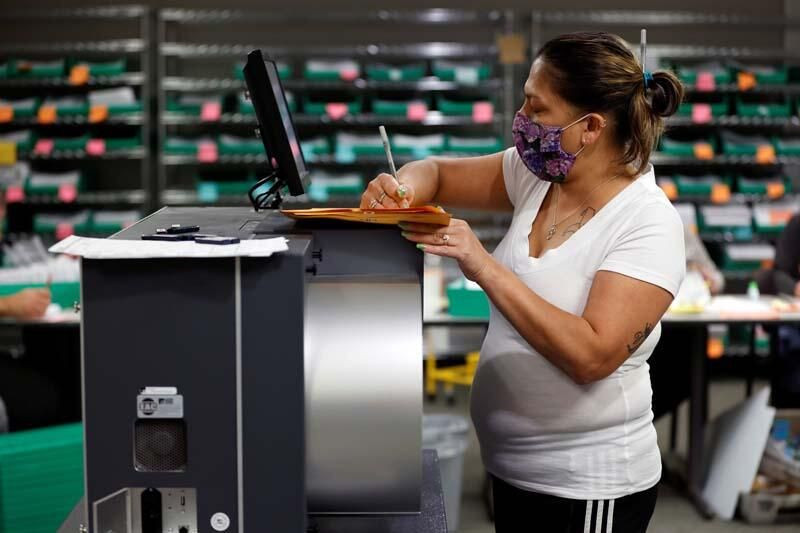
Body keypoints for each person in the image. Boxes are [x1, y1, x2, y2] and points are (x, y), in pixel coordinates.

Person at [362, 32, 685, 532]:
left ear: (590, 127)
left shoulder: (646, 222)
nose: (523, 121)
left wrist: (483, 264)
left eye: (537, 109)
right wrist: (404, 188)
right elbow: (437, 173)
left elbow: (591, 356)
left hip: (588, 491)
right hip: (514, 476)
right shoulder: (539, 177)